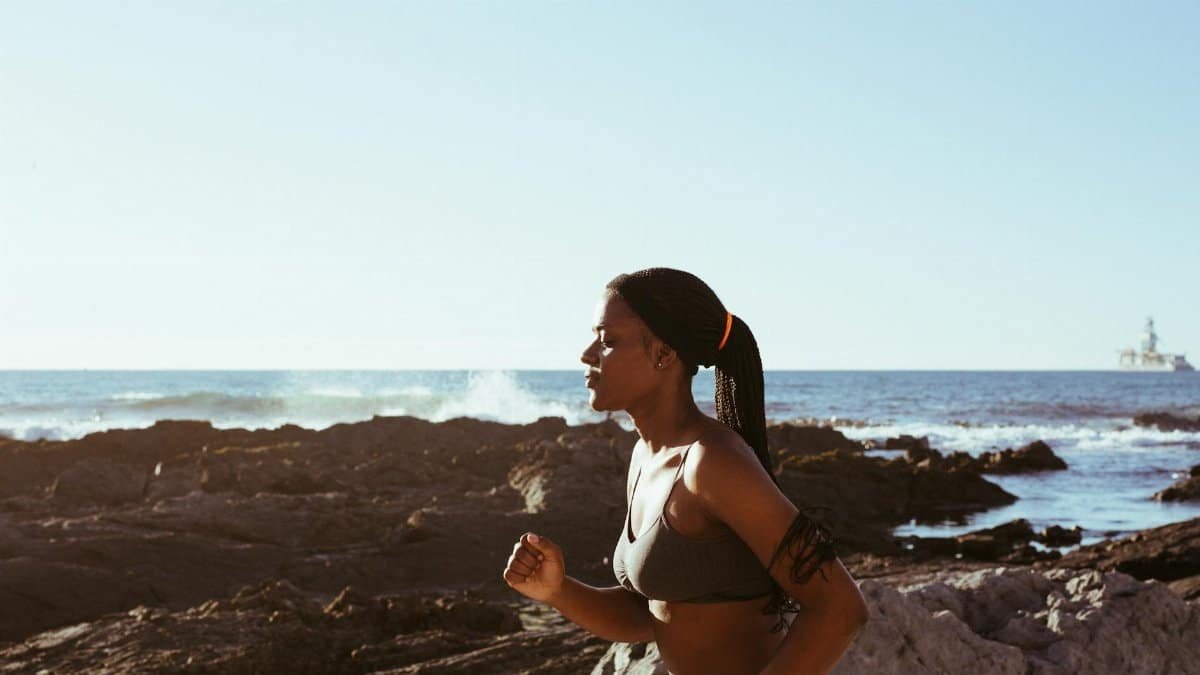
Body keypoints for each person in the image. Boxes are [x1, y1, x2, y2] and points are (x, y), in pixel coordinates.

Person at [503, 268, 868, 674]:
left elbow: (841, 607)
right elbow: (651, 614)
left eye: (607, 341)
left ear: (663, 353)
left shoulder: (713, 462)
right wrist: (556, 589)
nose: (587, 354)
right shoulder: (646, 456)